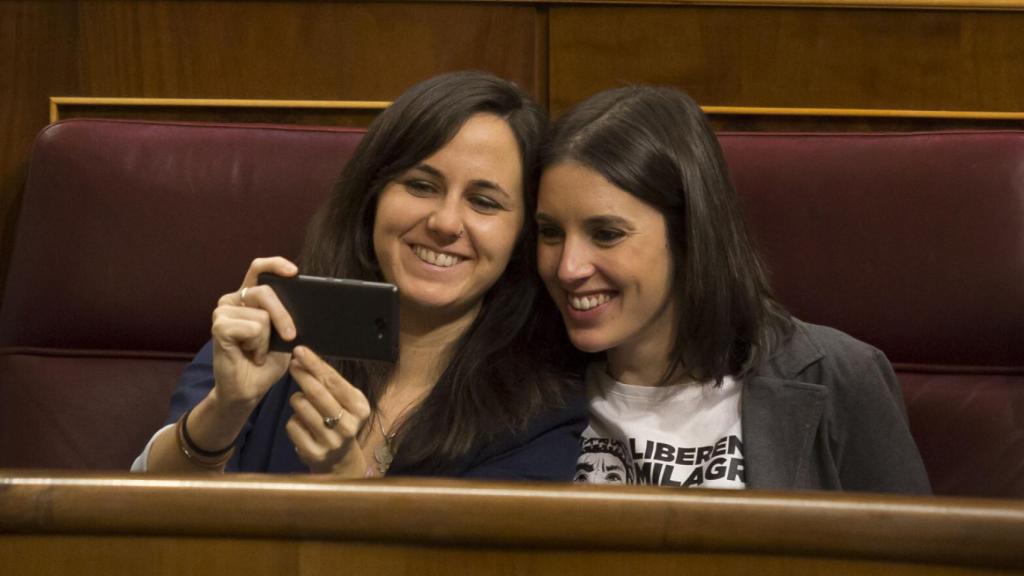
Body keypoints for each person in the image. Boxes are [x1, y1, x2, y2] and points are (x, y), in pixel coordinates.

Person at [133, 71, 585, 479]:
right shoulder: (275, 324)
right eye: (421, 185)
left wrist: (347, 480)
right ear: (372, 197)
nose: (446, 223)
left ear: (523, 234)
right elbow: (144, 517)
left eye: (484, 202)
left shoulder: (545, 408)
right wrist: (225, 410)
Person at [533, 86, 931, 493]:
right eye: (549, 232)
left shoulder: (841, 378)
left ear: (689, 233)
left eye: (606, 233)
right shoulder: (522, 384)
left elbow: (913, 554)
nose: (568, 268)